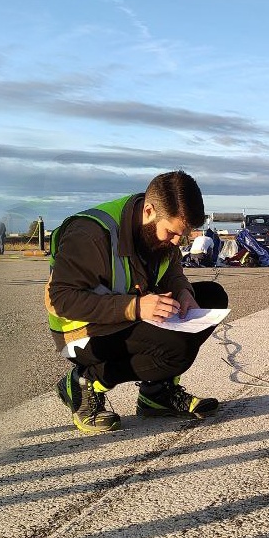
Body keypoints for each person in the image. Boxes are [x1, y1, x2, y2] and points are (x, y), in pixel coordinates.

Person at [45, 171, 229, 433]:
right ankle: (84, 381)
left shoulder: (158, 228)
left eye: (184, 235)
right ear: (149, 211)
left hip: (128, 317)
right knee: (177, 351)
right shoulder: (89, 235)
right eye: (172, 233)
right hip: (84, 333)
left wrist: (183, 291)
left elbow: (172, 270)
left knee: (213, 297)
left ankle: (157, 394)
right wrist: (136, 307)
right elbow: (61, 300)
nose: (177, 242)